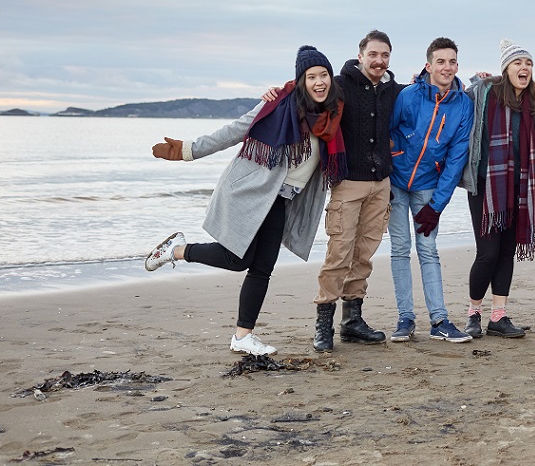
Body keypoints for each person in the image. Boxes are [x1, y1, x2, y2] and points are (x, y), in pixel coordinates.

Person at [144, 45, 346, 356]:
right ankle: (176, 251)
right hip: (252, 193)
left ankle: (242, 336)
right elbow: (237, 130)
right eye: (311, 76)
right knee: (237, 260)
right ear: (301, 80)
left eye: (324, 75)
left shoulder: (333, 114)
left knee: (262, 267)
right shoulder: (278, 104)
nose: (319, 82)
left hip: (281, 201)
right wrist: (189, 150)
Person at [310, 31, 402, 349]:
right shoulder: (340, 85)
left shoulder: (393, 89)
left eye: (385, 55)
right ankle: (324, 325)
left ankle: (352, 322)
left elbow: (427, 94)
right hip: (348, 184)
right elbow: (306, 98)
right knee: (339, 253)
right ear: (360, 54)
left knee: (364, 255)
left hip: (381, 184)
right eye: (373, 54)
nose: (379, 60)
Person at [458, 39, 535, 338]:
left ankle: (498, 316)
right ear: (506, 68)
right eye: (517, 63)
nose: (524, 68)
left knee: (506, 254)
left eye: (528, 63)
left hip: (521, 188)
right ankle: (474, 313)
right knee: (487, 252)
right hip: (486, 187)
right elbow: (455, 93)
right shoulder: (485, 94)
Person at [386, 37, 475, 344]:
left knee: (428, 251)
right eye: (441, 61)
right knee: (399, 248)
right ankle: (405, 319)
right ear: (429, 65)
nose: (447, 67)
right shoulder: (408, 96)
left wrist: (437, 205)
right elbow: (386, 133)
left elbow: (456, 157)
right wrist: (386, 174)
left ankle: (439, 320)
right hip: (396, 184)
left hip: (428, 187)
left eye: (452, 62)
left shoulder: (463, 105)